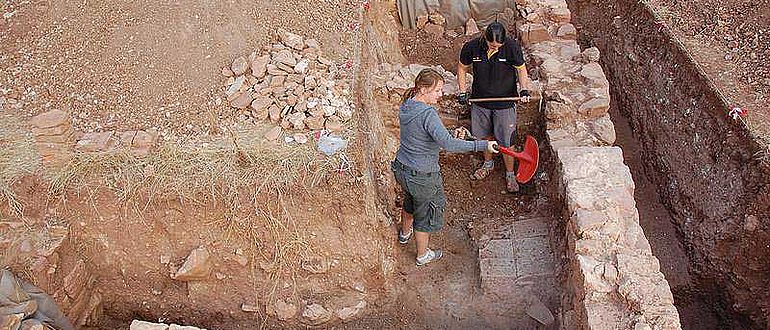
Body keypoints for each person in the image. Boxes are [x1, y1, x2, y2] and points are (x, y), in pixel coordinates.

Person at [392, 68, 498, 266]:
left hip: (402, 169)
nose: (441, 95)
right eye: (437, 90)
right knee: (424, 214)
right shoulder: (428, 113)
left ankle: (404, 234)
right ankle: (423, 255)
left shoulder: (407, 105)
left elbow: (423, 135)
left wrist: (449, 132)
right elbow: (448, 145)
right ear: (423, 89)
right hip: (422, 175)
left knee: (410, 201)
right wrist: (483, 145)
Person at [456, 21, 533, 193]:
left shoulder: (511, 47)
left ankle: (510, 174)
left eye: (499, 45)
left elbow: (521, 69)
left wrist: (525, 89)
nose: (495, 47)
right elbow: (462, 68)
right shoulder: (472, 47)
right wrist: (461, 91)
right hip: (480, 102)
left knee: (507, 140)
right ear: (485, 37)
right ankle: (488, 164)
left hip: (505, 104)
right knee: (484, 137)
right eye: (492, 45)